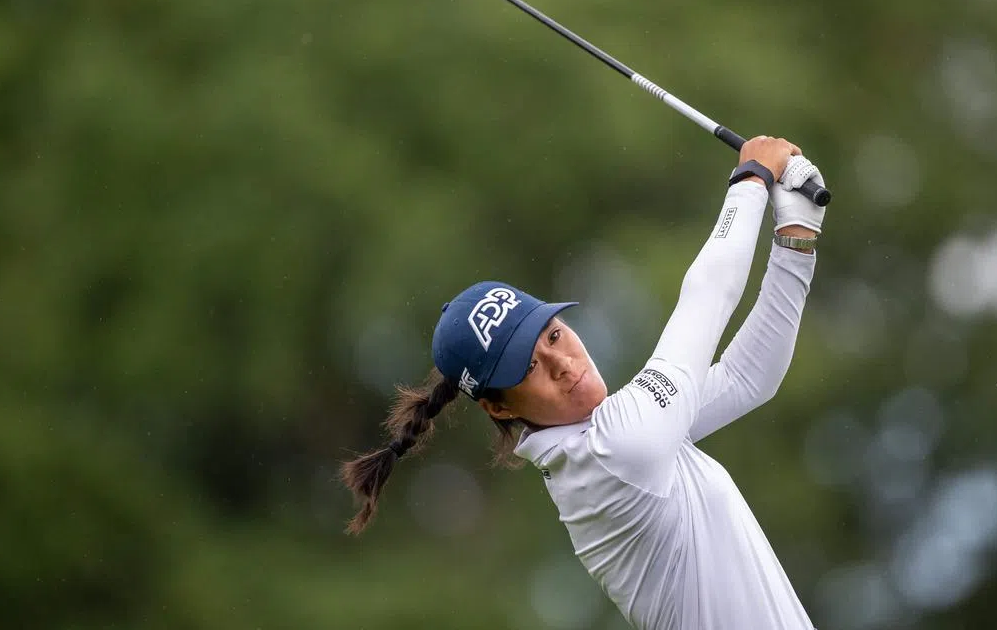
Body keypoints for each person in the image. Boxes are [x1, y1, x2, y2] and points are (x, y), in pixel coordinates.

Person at [341, 135, 826, 629]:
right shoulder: (614, 451)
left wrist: (797, 232)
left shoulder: (613, 440)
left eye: (553, 334)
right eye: (528, 367)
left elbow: (749, 376)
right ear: (500, 408)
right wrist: (750, 182)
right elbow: (707, 296)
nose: (563, 363)